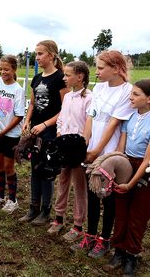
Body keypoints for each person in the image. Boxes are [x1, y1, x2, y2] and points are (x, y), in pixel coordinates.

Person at [71, 50, 134, 259]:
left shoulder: (127, 91)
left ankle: (104, 239)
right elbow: (91, 117)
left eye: (100, 68)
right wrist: (85, 145)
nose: (96, 72)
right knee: (91, 194)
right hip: (91, 151)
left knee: (107, 198)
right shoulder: (97, 87)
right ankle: (89, 235)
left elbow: (114, 122)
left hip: (109, 155)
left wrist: (98, 153)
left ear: (116, 69)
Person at [103, 79, 150, 276]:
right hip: (126, 164)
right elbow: (121, 148)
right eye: (131, 93)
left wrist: (130, 184)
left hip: (144, 171)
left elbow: (147, 160)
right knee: (121, 213)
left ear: (149, 99)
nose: (131, 97)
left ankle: (131, 255)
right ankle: (119, 251)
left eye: (136, 94)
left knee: (137, 216)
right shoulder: (129, 117)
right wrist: (117, 168)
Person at [19, 40, 68, 225]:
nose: (37, 57)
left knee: (47, 171)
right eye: (36, 54)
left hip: (50, 132)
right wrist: (27, 120)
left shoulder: (60, 79)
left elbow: (65, 108)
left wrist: (46, 125)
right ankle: (33, 207)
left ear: (52, 56)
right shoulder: (37, 78)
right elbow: (32, 102)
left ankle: (46, 210)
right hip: (35, 132)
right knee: (34, 169)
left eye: (40, 54)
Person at [47, 61, 92, 241]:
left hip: (78, 149)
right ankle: (59, 218)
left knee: (80, 186)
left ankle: (78, 225)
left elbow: (89, 124)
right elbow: (62, 119)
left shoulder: (89, 98)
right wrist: (60, 136)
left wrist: (80, 144)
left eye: (67, 75)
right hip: (64, 146)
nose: (64, 78)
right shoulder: (68, 97)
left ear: (80, 77)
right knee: (62, 181)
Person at [0, 55, 25, 214]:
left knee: (9, 166)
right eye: (1, 69)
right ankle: (0, 196)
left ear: (14, 69)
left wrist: (5, 131)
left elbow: (19, 115)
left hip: (11, 134)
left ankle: (12, 200)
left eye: (7, 69)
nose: (3, 72)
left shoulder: (18, 90)